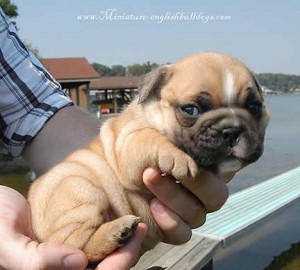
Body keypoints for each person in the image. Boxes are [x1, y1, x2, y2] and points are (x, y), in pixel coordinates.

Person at [0, 8, 231, 270]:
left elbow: (34, 108)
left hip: (95, 208)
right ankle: (88, 241)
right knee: (78, 189)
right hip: (68, 214)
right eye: (190, 109)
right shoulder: (145, 126)